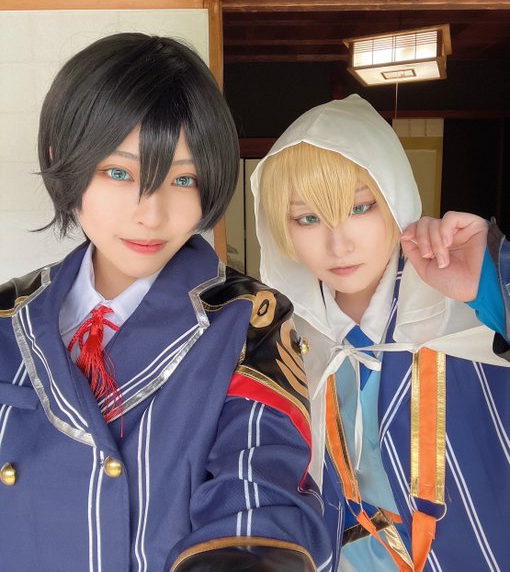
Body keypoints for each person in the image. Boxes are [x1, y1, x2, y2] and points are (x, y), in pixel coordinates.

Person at [0, 33, 333, 572]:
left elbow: (260, 495)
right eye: (119, 173)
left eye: (183, 178)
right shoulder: (9, 317)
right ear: (64, 160)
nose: (151, 214)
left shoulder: (248, 321)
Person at [252, 95, 510, 572]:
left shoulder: (463, 302)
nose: (339, 243)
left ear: (395, 196)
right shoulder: (283, 341)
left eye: (360, 207)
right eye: (308, 218)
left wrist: (495, 282)